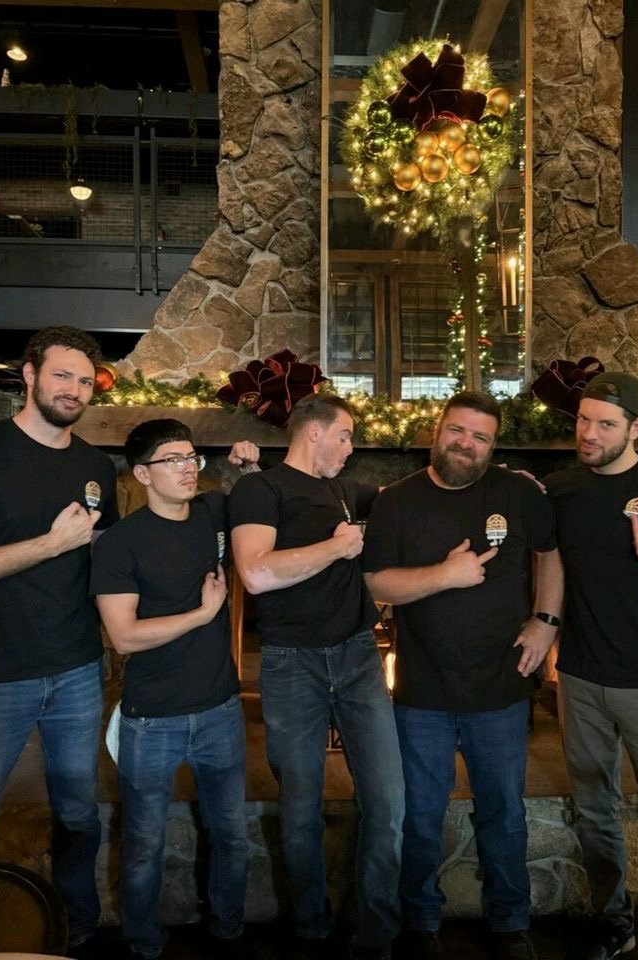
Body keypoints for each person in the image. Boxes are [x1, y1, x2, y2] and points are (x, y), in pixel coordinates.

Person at [361, 391, 561, 960]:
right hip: (422, 692)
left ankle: (509, 921)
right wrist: (444, 577)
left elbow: (549, 552)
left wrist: (545, 622)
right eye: (457, 431)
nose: (466, 444)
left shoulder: (520, 493)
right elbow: (376, 584)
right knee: (419, 815)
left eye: (480, 437)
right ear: (437, 429)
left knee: (504, 812)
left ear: (493, 446)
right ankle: (420, 922)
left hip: (501, 685)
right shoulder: (397, 502)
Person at [0, 326, 119, 956]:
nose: (74, 390)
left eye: (85, 381)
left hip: (77, 668)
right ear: (29, 375)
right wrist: (49, 545)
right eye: (62, 376)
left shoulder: (94, 466)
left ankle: (74, 927)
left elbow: (107, 558)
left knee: (79, 814)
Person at [228, 392, 404, 960]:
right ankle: (311, 929)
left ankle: (375, 932)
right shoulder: (262, 489)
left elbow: (417, 494)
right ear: (313, 433)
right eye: (346, 436)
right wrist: (334, 547)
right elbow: (255, 575)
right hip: (290, 664)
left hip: (357, 657)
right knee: (300, 807)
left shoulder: (346, 490)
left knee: (387, 799)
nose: (351, 450)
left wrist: (502, 480)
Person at [90, 419, 259, 960]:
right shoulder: (120, 543)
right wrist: (202, 614)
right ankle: (143, 944)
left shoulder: (212, 511)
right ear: (142, 474)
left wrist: (251, 468)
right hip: (151, 719)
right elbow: (124, 636)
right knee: (143, 846)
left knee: (232, 835)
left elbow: (262, 510)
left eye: (192, 457)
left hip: (220, 710)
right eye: (173, 460)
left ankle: (227, 931)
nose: (189, 467)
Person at [545, 372, 638, 960]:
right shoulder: (561, 491)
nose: (588, 433)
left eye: (604, 424)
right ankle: (614, 920)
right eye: (582, 420)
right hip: (580, 676)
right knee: (594, 808)